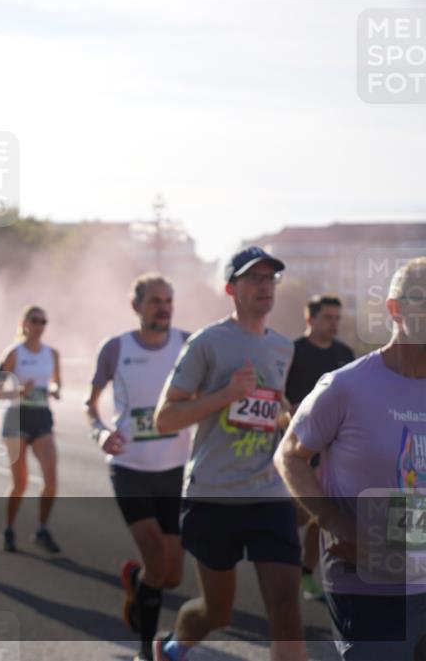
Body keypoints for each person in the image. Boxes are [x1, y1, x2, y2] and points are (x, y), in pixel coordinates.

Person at [153, 247, 304, 661]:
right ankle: (172, 648)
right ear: (230, 288)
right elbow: (165, 418)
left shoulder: (282, 347)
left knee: (286, 610)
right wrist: (225, 395)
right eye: (253, 278)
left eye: (270, 278)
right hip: (214, 494)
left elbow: (271, 402)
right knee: (217, 612)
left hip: (268, 493)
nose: (264, 286)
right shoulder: (207, 343)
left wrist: (287, 417)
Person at [275, 256, 426, 661]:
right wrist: (335, 522)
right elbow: (290, 455)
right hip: (367, 585)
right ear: (394, 309)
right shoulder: (347, 386)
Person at [87, 274, 191, 661]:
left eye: (168, 301)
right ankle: (146, 651)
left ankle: (136, 580)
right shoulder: (115, 348)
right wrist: (100, 432)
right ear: (136, 306)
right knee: (156, 557)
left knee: (172, 576)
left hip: (175, 470)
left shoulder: (188, 345)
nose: (163, 308)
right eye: (155, 301)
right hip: (129, 467)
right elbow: (90, 405)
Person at [285, 294, 356, 602]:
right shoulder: (293, 352)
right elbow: (276, 398)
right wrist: (291, 413)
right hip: (297, 449)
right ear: (310, 319)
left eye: (337, 318)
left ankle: (305, 572)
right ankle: (281, 562)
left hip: (332, 449)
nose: (333, 324)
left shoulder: (344, 354)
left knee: (323, 514)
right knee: (298, 516)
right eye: (328, 318)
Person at [0, 305, 62, 554]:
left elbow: (57, 384)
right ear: (24, 323)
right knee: (20, 483)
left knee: (51, 480)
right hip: (17, 418)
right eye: (34, 320)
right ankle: (8, 528)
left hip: (42, 417)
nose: (39, 326)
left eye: (43, 321)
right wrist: (20, 391)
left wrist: (54, 390)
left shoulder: (52, 354)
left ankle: (42, 529)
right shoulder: (14, 353)